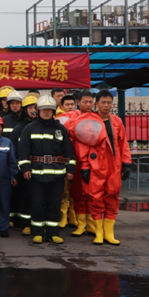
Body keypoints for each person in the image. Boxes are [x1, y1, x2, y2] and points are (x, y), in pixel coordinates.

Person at [67, 90, 131, 245]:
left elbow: (123, 143)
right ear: (97, 104)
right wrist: (84, 166)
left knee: (113, 196)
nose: (106, 105)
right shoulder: (88, 121)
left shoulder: (117, 121)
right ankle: (98, 232)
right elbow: (82, 145)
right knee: (95, 198)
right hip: (96, 165)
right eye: (103, 102)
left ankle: (109, 233)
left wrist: (127, 162)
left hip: (114, 165)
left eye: (109, 102)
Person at [17, 96, 75, 244]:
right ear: (38, 111)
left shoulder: (61, 129)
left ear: (54, 111)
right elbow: (23, 151)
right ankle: (37, 233)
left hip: (57, 175)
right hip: (36, 174)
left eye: (49, 109)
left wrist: (70, 169)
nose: (46, 112)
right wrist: (25, 168)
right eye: (43, 109)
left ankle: (53, 233)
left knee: (54, 204)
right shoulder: (29, 128)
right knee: (37, 203)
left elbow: (69, 151)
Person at [62, 90, 96, 237]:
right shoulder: (70, 117)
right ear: (79, 102)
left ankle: (94, 225)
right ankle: (81, 224)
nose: (88, 104)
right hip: (76, 160)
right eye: (84, 101)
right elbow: (65, 134)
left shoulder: (98, 118)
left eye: (90, 102)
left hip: (95, 162)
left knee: (94, 195)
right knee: (77, 193)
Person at [9, 95, 38, 234]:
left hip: (41, 169)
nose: (33, 110)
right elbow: (14, 152)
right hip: (23, 169)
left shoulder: (45, 127)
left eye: (35, 107)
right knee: (25, 196)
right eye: (30, 107)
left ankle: (38, 223)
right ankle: (25, 224)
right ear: (24, 110)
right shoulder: (18, 129)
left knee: (39, 199)